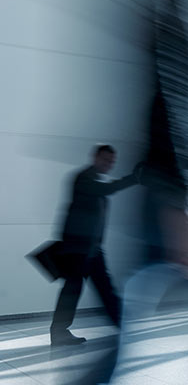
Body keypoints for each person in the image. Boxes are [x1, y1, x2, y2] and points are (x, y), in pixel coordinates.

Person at [50, 145, 139, 346]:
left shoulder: (93, 181)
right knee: (75, 289)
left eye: (111, 162)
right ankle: (59, 332)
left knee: (101, 287)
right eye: (106, 160)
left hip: (91, 248)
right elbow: (106, 190)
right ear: (95, 157)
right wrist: (133, 178)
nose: (108, 165)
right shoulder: (83, 179)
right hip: (77, 248)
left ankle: (121, 325)